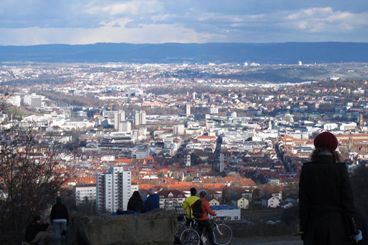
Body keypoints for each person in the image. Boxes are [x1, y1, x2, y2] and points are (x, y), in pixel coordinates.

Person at [299, 132, 361, 245]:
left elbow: (304, 202)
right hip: (337, 226)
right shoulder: (340, 170)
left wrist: (303, 228)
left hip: (313, 225)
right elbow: (347, 202)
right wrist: (353, 228)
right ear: (334, 148)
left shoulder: (307, 170)